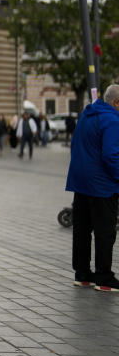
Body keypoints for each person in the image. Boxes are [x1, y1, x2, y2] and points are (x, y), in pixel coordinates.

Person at [65, 84, 119, 291]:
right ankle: (104, 278)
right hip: (102, 185)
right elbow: (111, 155)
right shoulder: (112, 120)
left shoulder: (86, 115)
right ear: (116, 102)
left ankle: (83, 274)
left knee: (82, 230)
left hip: (80, 182)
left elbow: (75, 146)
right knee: (105, 232)